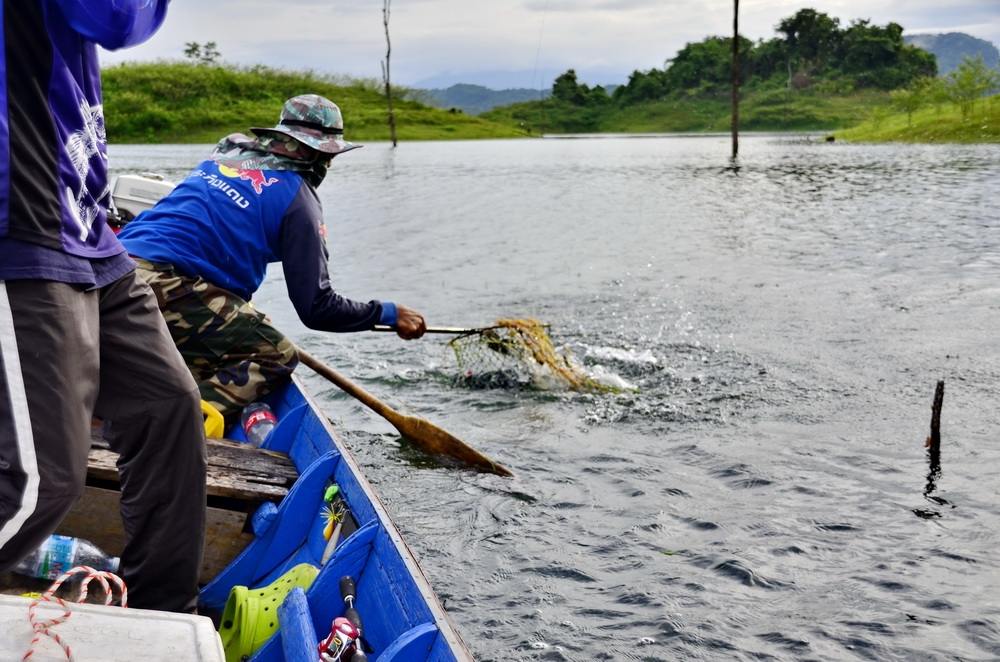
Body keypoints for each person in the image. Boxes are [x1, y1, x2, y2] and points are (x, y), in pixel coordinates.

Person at [0, 2, 207, 613]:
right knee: (41, 484)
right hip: (25, 229)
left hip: (91, 232)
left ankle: (161, 613)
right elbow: (116, 15)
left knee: (169, 407)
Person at [117, 94, 427, 423]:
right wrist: (388, 313)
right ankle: (173, 426)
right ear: (321, 154)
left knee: (221, 335)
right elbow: (317, 308)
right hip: (161, 284)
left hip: (112, 267)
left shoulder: (228, 150)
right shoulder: (300, 202)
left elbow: (229, 227)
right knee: (274, 354)